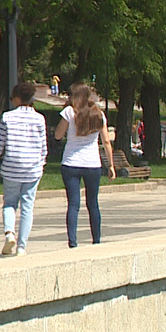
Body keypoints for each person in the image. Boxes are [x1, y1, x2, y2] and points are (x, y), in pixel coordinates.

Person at [0, 82, 47, 257]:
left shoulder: (7, 117)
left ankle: (9, 233)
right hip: (32, 169)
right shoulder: (39, 119)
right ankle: (22, 246)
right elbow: (43, 147)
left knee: (9, 203)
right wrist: (41, 163)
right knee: (27, 206)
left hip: (12, 167)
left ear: (18, 98)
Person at [55, 83, 116, 248]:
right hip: (92, 163)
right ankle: (96, 239)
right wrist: (110, 165)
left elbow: (58, 135)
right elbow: (106, 141)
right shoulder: (98, 114)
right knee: (93, 203)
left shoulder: (69, 112)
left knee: (73, 204)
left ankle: (73, 241)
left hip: (71, 162)